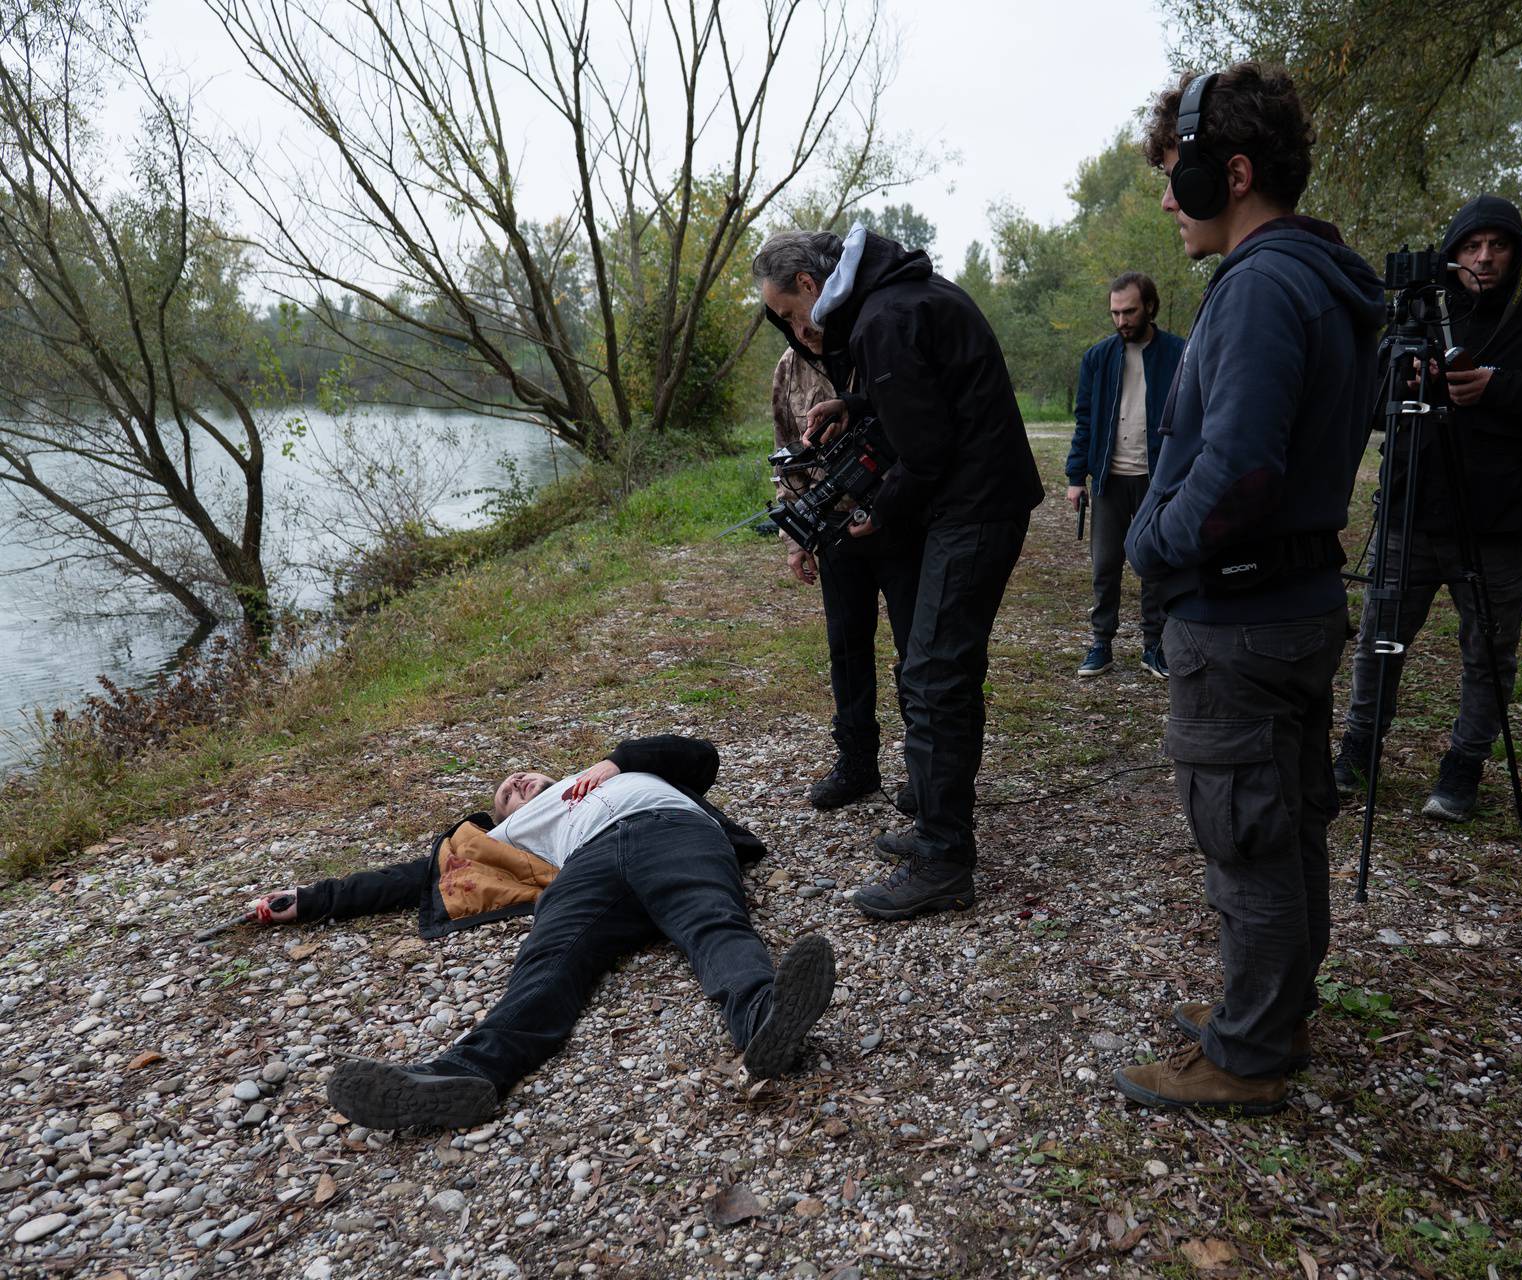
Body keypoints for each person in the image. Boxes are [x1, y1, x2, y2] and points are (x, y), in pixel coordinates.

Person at [1114, 63, 1385, 1111]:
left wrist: (1154, 541)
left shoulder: (1264, 285)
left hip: (1243, 611)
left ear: (1230, 171)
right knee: (1285, 818)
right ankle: (1270, 1011)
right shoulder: (1319, 276)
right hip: (1292, 603)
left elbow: (1240, 468)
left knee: (1246, 835)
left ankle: (1250, 1052)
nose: (1169, 203)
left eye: (1177, 178)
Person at [240, 735, 837, 1130]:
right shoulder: (507, 837)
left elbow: (700, 755)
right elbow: (408, 879)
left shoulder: (616, 772)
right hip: (586, 867)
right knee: (547, 961)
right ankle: (463, 1075)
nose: (518, 785)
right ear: (501, 817)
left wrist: (616, 761)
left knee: (713, 922)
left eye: (524, 776)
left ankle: (764, 1020)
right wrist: (312, 899)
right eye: (506, 792)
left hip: (672, 832)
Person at [754, 227, 1044, 922]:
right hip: (979, 502)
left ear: (810, 285)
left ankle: (945, 857)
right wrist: (856, 406)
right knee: (940, 666)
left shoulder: (885, 317)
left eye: (792, 314)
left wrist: (875, 512)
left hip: (974, 507)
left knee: (933, 670)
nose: (796, 329)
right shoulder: (902, 298)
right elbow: (924, 398)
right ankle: (937, 826)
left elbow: (928, 450)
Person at [1333, 194, 1522, 821]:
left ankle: (1462, 768)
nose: (1484, 258)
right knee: (1380, 640)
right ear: (1452, 252)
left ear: (1518, 252)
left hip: (1500, 521)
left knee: (1487, 654)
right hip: (1410, 510)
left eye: (1498, 245)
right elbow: (1368, 406)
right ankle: (1357, 752)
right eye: (1470, 246)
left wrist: (1500, 388)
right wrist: (1400, 382)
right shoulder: (1419, 313)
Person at [769, 345, 922, 812]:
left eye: (799, 316)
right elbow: (784, 455)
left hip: (901, 521)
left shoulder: (874, 344)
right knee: (847, 649)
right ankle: (856, 762)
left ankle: (927, 768)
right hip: (833, 531)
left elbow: (922, 430)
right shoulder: (789, 367)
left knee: (918, 649)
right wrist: (795, 538)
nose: (798, 329)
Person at [1065, 272, 1185, 680]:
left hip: (1158, 478)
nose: (1121, 320)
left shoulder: (1178, 353)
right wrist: (1075, 476)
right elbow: (1084, 420)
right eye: (1115, 312)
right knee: (1105, 564)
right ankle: (1102, 642)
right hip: (1108, 478)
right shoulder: (1098, 358)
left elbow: (1191, 417)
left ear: (1150, 306)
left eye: (1129, 311)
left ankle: (1154, 645)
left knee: (1154, 562)